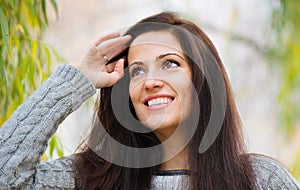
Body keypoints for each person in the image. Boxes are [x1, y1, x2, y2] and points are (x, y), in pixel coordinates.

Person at [0, 11, 299, 190]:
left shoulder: (259, 179)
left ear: (203, 80)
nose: (150, 81)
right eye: (137, 71)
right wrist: (78, 80)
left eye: (170, 63)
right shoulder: (90, 179)